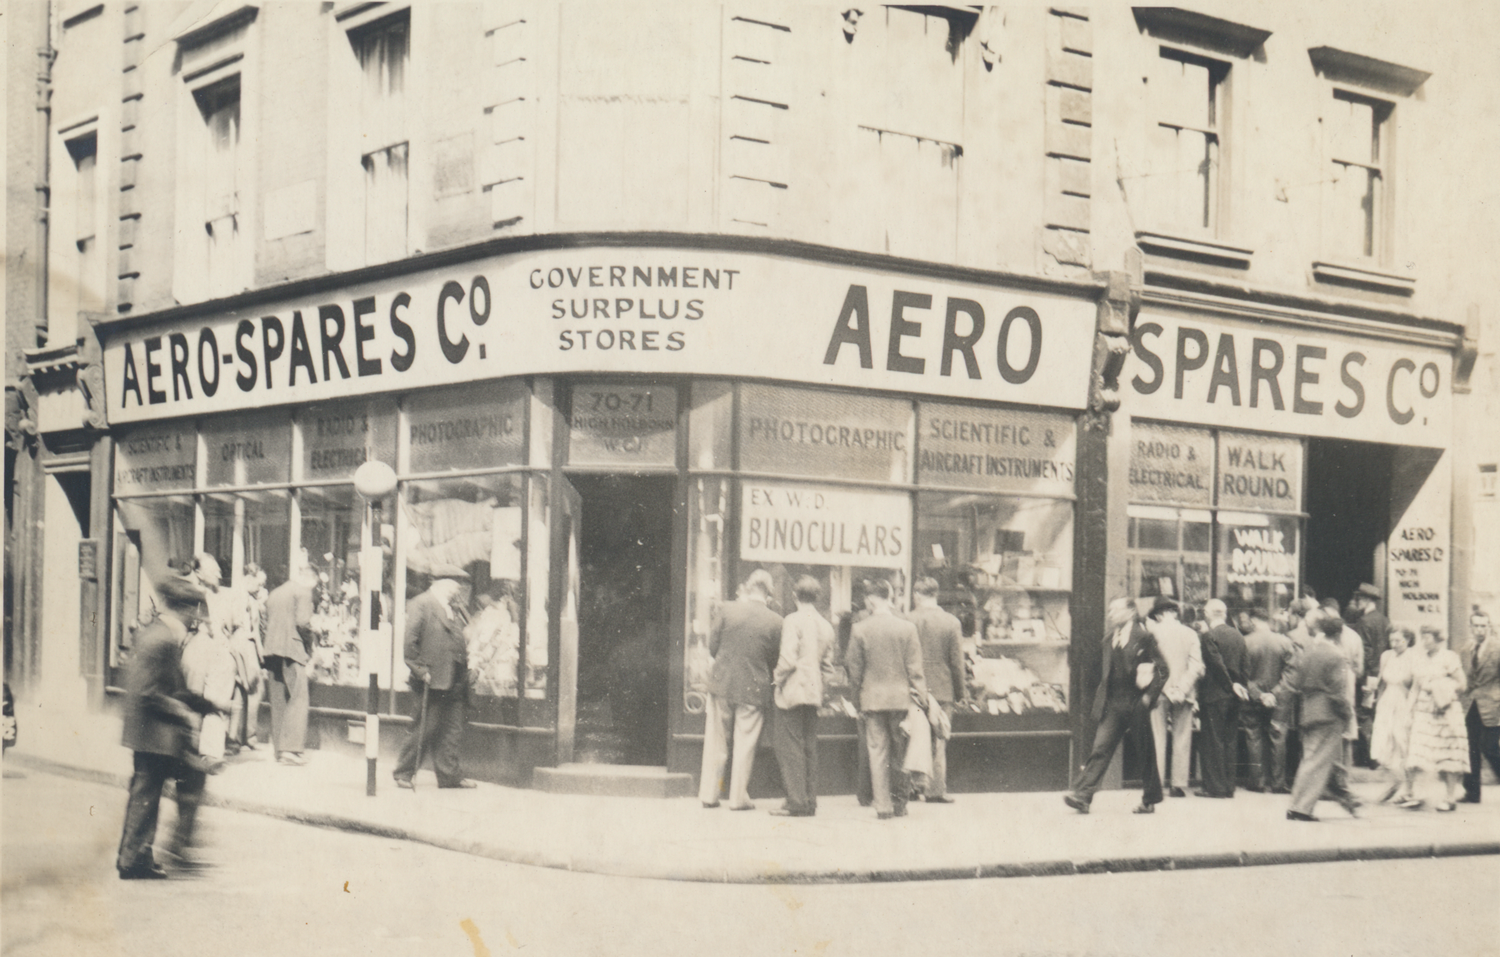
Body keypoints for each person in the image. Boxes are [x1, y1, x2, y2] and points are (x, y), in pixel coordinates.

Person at [116, 578, 219, 878]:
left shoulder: (158, 634)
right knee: (149, 793)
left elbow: (168, 687)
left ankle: (137, 856)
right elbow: (150, 693)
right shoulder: (161, 640)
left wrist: (206, 704)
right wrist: (184, 712)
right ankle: (138, 858)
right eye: (193, 612)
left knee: (148, 794)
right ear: (182, 608)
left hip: (152, 730)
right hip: (154, 731)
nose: (195, 620)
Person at [1065, 597, 1168, 815]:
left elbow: (1163, 669)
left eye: (1115, 610)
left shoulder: (1144, 637)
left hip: (1136, 702)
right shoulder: (1108, 639)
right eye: (1110, 610)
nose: (1110, 614)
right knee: (1100, 748)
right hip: (1113, 704)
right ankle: (1082, 796)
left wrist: (1148, 698)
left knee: (1145, 751)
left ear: (1130, 612)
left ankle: (1150, 798)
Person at [698, 569, 783, 810]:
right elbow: (774, 659)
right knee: (745, 744)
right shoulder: (776, 621)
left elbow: (712, 646)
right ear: (768, 592)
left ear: (748, 586)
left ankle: (709, 794)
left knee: (716, 742)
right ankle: (737, 799)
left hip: (722, 683)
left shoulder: (727, 609)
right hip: (753, 688)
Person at [846, 578, 926, 820]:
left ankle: (882, 806)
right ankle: (900, 804)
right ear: (889, 597)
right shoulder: (907, 628)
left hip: (872, 699)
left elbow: (854, 670)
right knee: (901, 752)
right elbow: (916, 669)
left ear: (871, 600)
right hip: (902, 700)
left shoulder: (860, 629)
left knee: (877, 752)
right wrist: (921, 699)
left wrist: (856, 701)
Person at [394, 567, 477, 789]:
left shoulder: (454, 608)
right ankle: (403, 773)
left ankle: (449, 776)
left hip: (456, 677)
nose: (458, 589)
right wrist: (420, 671)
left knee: (452, 729)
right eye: (454, 584)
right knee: (425, 727)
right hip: (432, 678)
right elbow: (408, 643)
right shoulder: (422, 603)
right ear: (441, 583)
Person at [770, 576, 836, 817]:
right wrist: (821, 688)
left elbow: (787, 659)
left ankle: (795, 801)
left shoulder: (792, 620)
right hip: (814, 692)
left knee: (790, 747)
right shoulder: (826, 625)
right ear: (817, 598)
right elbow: (828, 668)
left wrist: (775, 680)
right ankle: (810, 801)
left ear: (794, 596)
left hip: (792, 691)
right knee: (809, 746)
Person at [1285, 615, 1362, 821]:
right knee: (1316, 762)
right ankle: (1302, 808)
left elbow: (1296, 681)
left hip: (1308, 709)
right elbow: (1339, 692)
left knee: (1310, 758)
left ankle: (1297, 805)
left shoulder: (1308, 650)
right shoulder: (1336, 656)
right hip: (1329, 713)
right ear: (1338, 634)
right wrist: (1347, 714)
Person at [906, 577, 967, 803]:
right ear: (936, 595)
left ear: (917, 595)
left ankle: (913, 786)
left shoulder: (907, 619)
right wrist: (961, 693)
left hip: (914, 688)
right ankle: (935, 790)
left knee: (913, 737)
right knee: (939, 739)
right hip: (942, 688)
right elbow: (956, 663)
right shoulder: (951, 622)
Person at [1402, 626, 1469, 812]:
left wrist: (1439, 686)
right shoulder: (1420, 658)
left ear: (1438, 639)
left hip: (1445, 710)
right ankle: (1417, 794)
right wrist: (1408, 711)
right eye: (1422, 637)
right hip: (1424, 711)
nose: (1424, 641)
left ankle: (1449, 797)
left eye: (1428, 637)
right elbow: (1415, 687)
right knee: (1418, 752)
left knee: (1448, 753)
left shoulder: (1449, 657)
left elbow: (1462, 684)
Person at [1145, 597, 1202, 799]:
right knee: (1182, 736)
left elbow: (1149, 664)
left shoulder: (1152, 633)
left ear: (1159, 615)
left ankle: (1157, 783)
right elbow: (1197, 666)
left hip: (1159, 691)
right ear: (1175, 613)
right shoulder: (1190, 634)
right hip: (1184, 693)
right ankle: (1178, 784)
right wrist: (1182, 689)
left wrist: (1167, 688)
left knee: (1158, 737)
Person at [263, 563, 317, 767]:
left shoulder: (275, 592)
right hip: (292, 650)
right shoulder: (303, 591)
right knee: (298, 697)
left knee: (278, 700)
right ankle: (291, 749)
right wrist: (309, 650)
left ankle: (279, 749)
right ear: (310, 578)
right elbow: (303, 623)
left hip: (271, 650)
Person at [1195, 599, 1247, 798]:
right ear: (1223, 614)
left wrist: (1229, 685)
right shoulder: (1238, 636)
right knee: (1230, 740)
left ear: (1208, 614)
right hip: (1235, 696)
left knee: (1213, 741)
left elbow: (1216, 665)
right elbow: (1245, 664)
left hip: (1214, 695)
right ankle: (1228, 785)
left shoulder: (1209, 636)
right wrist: (1240, 686)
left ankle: (1215, 787)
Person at [1242, 608, 1295, 793]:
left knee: (1253, 736)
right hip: (1279, 699)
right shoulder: (1284, 642)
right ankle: (1278, 783)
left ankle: (1257, 782)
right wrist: (1275, 693)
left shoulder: (1245, 642)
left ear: (1254, 620)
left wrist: (1259, 694)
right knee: (1278, 736)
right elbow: (1292, 672)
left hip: (1252, 698)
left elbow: (1241, 675)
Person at [1370, 627, 1417, 804]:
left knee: (1403, 743)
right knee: (1382, 743)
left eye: (1399, 640)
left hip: (1404, 703)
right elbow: (1381, 681)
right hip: (1387, 702)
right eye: (1392, 640)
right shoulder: (1386, 656)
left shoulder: (1413, 657)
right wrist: (1375, 700)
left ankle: (1409, 790)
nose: (1395, 644)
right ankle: (1396, 781)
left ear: (1408, 640)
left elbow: (1414, 685)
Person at [1461, 608, 1500, 803]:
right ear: (1470, 627)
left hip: (1494, 705)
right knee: (1470, 747)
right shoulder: (1466, 649)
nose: (1479, 630)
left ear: (1489, 627)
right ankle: (1472, 792)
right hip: (1472, 704)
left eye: (1483, 626)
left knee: (1490, 747)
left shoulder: (1497, 649)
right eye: (1476, 626)